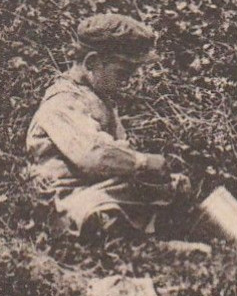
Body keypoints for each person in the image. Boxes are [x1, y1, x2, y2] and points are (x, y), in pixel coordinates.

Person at [24, 14, 193, 241]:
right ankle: (144, 243)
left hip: (100, 187)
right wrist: (141, 162)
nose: (128, 81)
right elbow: (94, 156)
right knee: (99, 213)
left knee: (174, 186)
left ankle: (163, 237)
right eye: (122, 73)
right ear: (92, 62)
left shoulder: (99, 99)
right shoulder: (62, 103)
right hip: (68, 196)